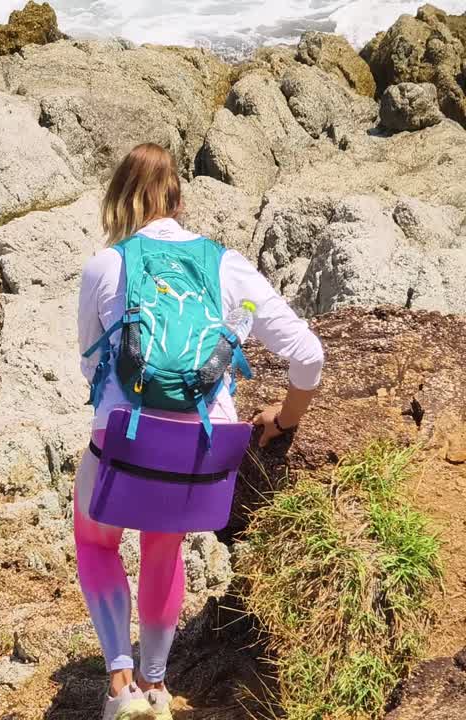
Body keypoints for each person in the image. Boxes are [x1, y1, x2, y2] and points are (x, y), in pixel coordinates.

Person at [75, 144, 325, 720]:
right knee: (164, 546)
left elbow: (90, 367)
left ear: (119, 201)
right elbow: (308, 355)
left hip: (125, 442)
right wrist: (284, 421)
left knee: (94, 539)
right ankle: (158, 688)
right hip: (202, 452)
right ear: (180, 201)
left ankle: (120, 683)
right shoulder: (226, 265)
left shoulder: (104, 266)